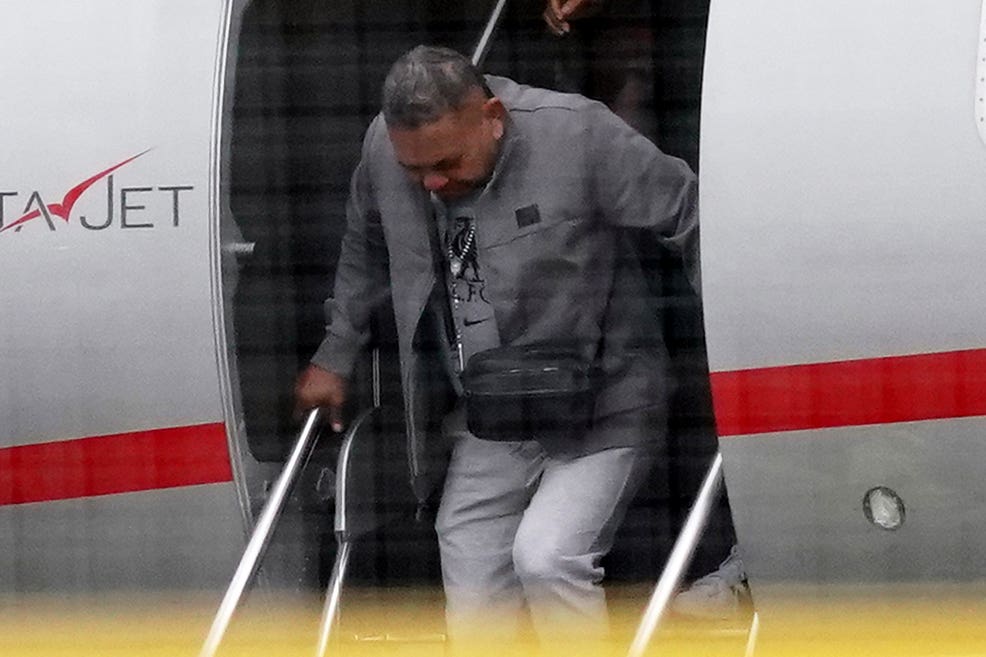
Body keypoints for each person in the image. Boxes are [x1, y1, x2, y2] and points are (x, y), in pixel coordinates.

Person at [294, 45, 699, 650]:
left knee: (546, 555)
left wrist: (745, 342)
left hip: (606, 400)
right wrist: (335, 352)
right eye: (415, 170)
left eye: (446, 163)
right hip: (490, 411)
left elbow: (689, 212)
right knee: (466, 547)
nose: (431, 182)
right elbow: (363, 246)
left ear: (491, 115)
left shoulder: (577, 133)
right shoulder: (384, 146)